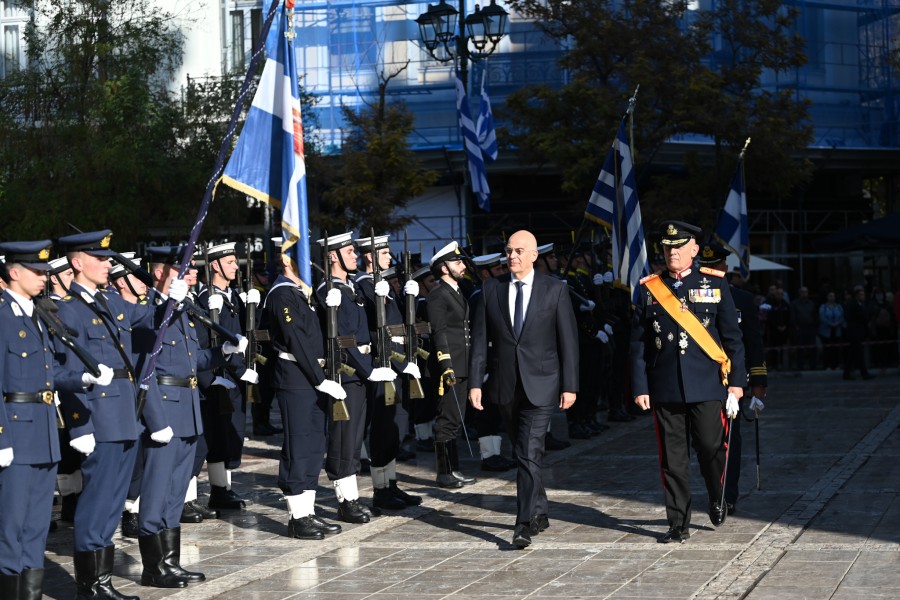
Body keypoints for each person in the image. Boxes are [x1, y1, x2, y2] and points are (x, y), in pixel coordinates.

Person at [0, 240, 113, 600]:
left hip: (45, 433)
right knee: (11, 526)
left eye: (46, 271)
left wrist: (81, 378)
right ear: (14, 272)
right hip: (15, 432)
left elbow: (48, 376)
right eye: (36, 271)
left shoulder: (40, 314)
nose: (44, 277)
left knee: (35, 528)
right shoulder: (2, 316)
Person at [54, 230, 161, 600]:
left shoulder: (110, 301)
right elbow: (64, 369)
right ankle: (91, 584)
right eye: (100, 259)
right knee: (97, 500)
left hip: (124, 412)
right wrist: (78, 424)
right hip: (98, 414)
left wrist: (169, 297)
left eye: (109, 258)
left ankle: (102, 581)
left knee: (114, 500)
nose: (108, 264)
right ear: (77, 262)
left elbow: (150, 317)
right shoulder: (67, 309)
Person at [132, 245, 245, 589]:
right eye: (182, 268)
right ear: (159, 272)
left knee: (176, 492)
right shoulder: (146, 312)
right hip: (164, 409)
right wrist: (154, 419)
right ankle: (154, 567)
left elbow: (192, 359)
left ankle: (171, 562)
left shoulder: (180, 310)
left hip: (188, 407)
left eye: (193, 268)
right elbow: (142, 371)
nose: (191, 274)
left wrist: (220, 352)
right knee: (156, 491)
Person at [631, 221, 745, 544]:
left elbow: (732, 339)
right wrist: (640, 386)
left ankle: (715, 494)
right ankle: (678, 522)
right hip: (666, 386)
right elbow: (638, 344)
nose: (672, 253)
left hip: (707, 385)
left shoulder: (715, 284)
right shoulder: (649, 288)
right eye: (668, 248)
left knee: (711, 446)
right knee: (672, 458)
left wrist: (737, 383)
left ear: (694, 250)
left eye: (679, 247)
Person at [469, 230, 579, 548]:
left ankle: (522, 523)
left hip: (542, 384)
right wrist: (475, 382)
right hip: (505, 386)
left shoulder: (554, 290)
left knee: (529, 450)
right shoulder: (490, 289)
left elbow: (568, 342)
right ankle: (540, 510)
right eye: (508, 251)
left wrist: (570, 386)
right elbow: (479, 342)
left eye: (519, 251)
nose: (512, 256)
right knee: (524, 452)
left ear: (534, 255)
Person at [262, 240, 346, 539]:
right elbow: (295, 339)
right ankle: (297, 517)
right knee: (298, 446)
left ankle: (308, 511)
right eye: (303, 259)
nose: (311, 264)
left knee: (314, 444)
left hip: (312, 376)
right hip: (296, 379)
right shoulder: (282, 294)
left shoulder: (303, 294)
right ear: (287, 261)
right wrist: (319, 378)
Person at [315, 232, 396, 524]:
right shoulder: (329, 290)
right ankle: (345, 501)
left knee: (355, 436)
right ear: (333, 255)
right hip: (346, 374)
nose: (354, 255)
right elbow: (342, 339)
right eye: (349, 251)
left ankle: (353, 497)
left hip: (360, 372)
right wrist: (368, 369)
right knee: (343, 439)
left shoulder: (351, 288)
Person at [696, 241, 767, 516]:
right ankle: (714, 489)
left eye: (715, 268)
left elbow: (753, 344)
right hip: (700, 379)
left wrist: (758, 383)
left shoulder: (742, 299)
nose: (711, 272)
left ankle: (727, 495)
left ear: (724, 269)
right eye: (706, 268)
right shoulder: (690, 298)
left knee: (730, 441)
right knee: (704, 442)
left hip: (730, 381)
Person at [353, 234, 422, 510]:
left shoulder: (379, 284)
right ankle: (381, 489)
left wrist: (408, 297)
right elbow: (374, 328)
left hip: (397, 362)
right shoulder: (364, 285)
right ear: (370, 256)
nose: (389, 258)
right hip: (384, 364)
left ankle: (391, 483)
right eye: (383, 253)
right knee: (383, 428)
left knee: (396, 426)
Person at [195, 242, 259, 512]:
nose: (236, 267)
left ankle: (222, 489)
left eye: (235, 262)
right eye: (230, 262)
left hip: (232, 379)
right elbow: (205, 342)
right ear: (214, 265)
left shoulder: (232, 296)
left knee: (228, 437)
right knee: (211, 437)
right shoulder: (207, 298)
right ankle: (197, 496)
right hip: (218, 376)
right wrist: (238, 370)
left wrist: (251, 308)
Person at [426, 242, 477, 489]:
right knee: (447, 419)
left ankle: (453, 470)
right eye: (458, 263)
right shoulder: (438, 294)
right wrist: (445, 362)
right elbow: (440, 331)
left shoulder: (456, 291)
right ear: (443, 268)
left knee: (456, 419)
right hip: (450, 366)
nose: (463, 266)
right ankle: (444, 472)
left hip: (462, 363)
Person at [843, 285, 874, 380]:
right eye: (861, 294)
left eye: (863, 294)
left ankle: (846, 373)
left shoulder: (861, 304)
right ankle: (864, 373)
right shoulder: (852, 304)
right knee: (858, 354)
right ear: (856, 295)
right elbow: (850, 317)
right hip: (854, 332)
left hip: (859, 332)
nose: (863, 296)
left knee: (853, 353)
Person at [790, 286, 818, 370]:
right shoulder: (795, 303)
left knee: (812, 348)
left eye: (805, 292)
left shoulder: (811, 303)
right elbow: (792, 316)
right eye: (802, 292)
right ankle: (800, 366)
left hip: (810, 328)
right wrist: (795, 326)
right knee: (800, 348)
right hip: (800, 328)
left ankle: (813, 365)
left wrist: (815, 327)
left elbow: (815, 315)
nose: (804, 294)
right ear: (799, 293)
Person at [818, 291, 845, 370]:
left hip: (837, 330)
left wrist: (838, 323)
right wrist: (830, 323)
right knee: (827, 349)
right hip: (826, 331)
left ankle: (836, 364)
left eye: (833, 296)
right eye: (830, 296)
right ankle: (827, 365)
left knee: (836, 348)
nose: (832, 297)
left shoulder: (839, 306)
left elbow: (843, 316)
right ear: (827, 297)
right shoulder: (823, 307)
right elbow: (822, 317)